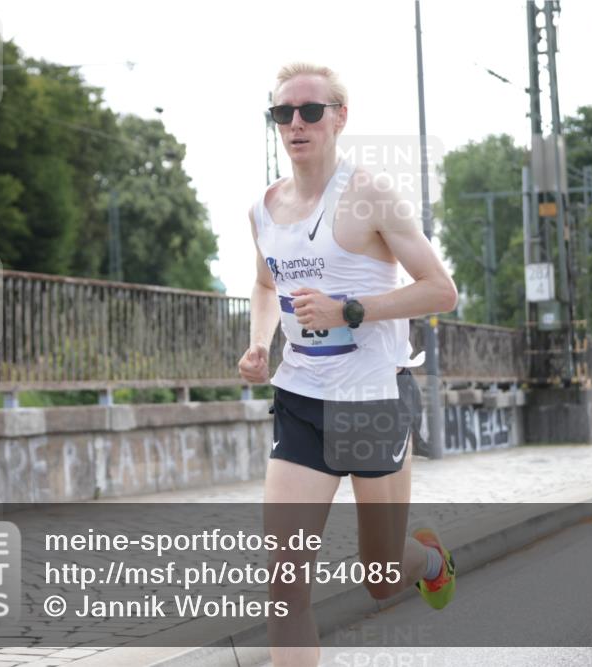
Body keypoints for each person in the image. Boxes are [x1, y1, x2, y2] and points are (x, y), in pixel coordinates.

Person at [236, 62, 459, 666]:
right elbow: (263, 283)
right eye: (283, 112)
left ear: (339, 117)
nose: (296, 123)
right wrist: (260, 342)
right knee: (285, 587)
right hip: (302, 400)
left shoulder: (370, 196)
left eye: (310, 110)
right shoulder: (264, 208)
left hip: (371, 402)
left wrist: (350, 310)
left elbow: (442, 291)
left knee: (383, 576)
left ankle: (428, 560)